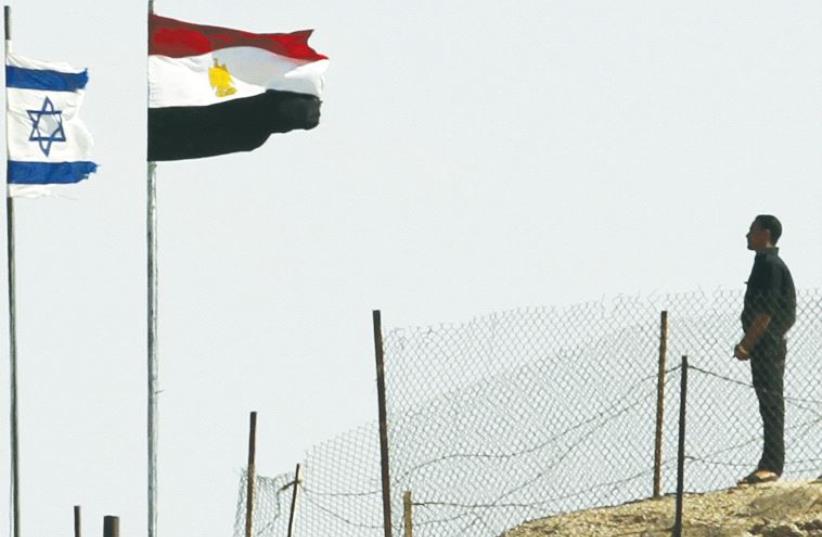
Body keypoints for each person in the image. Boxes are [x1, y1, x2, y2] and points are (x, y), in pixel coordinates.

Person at [734, 215, 796, 485]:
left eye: (752, 230)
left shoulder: (770, 265)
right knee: (767, 403)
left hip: (766, 345)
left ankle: (772, 465)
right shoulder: (764, 263)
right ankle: (769, 462)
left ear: (765, 233)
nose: (747, 235)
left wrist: (748, 342)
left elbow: (767, 312)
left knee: (771, 404)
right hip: (765, 344)